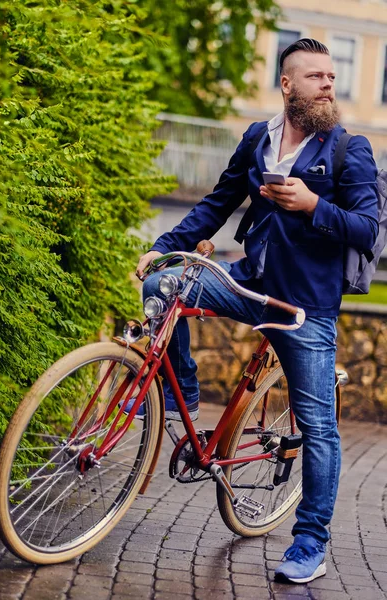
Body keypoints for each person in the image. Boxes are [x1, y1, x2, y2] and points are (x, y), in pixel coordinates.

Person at [135, 39, 378, 583]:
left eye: (331, 77)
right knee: (163, 284)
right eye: (315, 76)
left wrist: (315, 206)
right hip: (248, 281)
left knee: (318, 425)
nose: (328, 85)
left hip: (304, 308)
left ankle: (310, 542)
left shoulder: (349, 149)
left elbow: (366, 229)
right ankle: (183, 397)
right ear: (286, 84)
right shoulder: (258, 137)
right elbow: (218, 202)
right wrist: (166, 243)